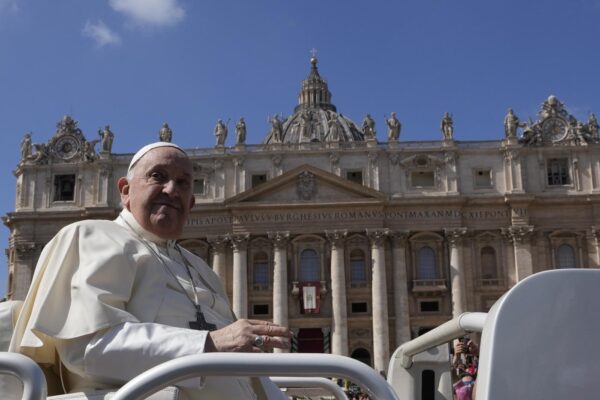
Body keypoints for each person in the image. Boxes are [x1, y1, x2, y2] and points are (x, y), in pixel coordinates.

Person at [8, 142, 292, 399]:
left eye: (183, 183)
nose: (171, 190)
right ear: (125, 190)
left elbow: (243, 368)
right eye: (158, 176)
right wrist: (209, 342)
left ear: (191, 203)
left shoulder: (201, 268)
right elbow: (89, 349)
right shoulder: (90, 237)